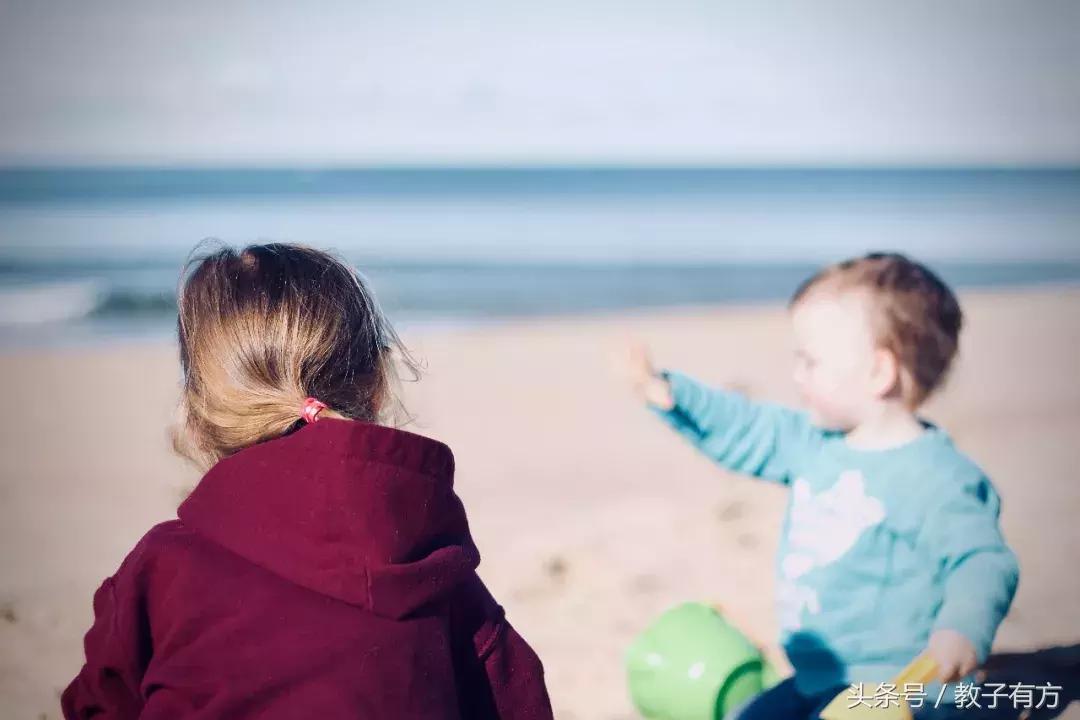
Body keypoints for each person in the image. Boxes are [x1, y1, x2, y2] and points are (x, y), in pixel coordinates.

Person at [62, 242, 553, 719]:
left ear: (200, 409)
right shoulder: (435, 570)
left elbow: (97, 704)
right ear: (379, 381)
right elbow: (521, 701)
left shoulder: (163, 568)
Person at [619, 252, 1019, 719]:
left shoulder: (935, 477)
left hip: (901, 692)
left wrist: (961, 629)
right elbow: (748, 427)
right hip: (817, 679)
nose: (796, 375)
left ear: (879, 373)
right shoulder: (814, 443)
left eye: (810, 361)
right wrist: (672, 395)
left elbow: (983, 560)